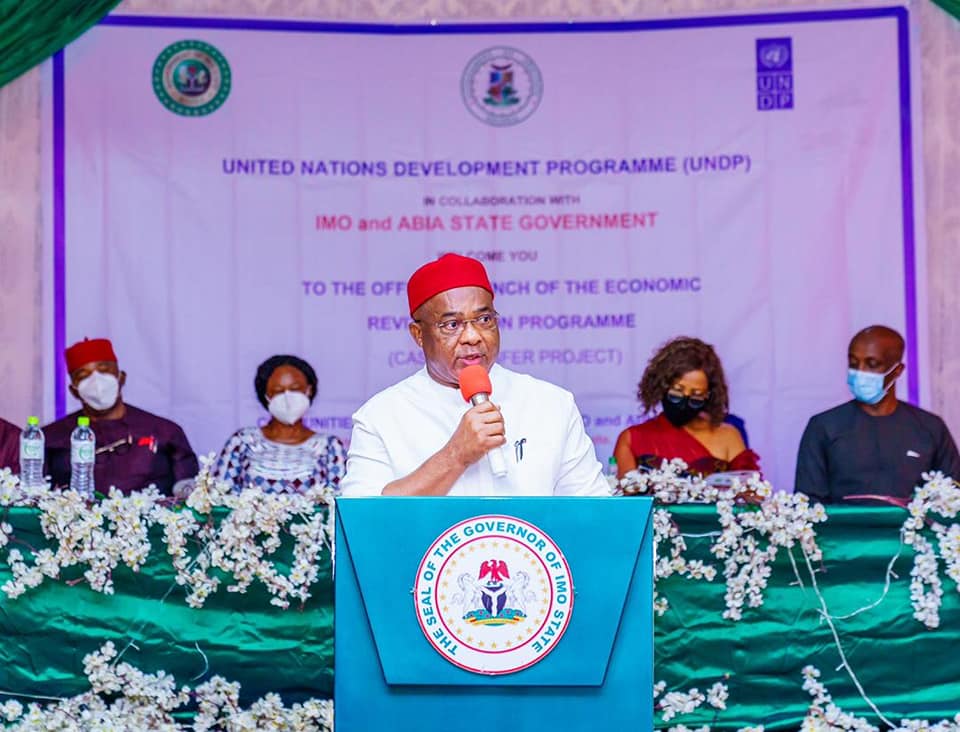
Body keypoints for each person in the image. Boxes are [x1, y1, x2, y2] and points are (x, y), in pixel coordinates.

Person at [340, 253, 609, 497]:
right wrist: (456, 455)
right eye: (452, 324)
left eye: (484, 320)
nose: (472, 336)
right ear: (418, 335)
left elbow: (595, 513)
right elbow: (363, 521)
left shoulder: (552, 403)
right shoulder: (380, 416)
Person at [795, 325, 960, 503]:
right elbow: (808, 501)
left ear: (897, 370)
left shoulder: (930, 427)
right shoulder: (824, 426)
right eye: (853, 364)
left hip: (912, 523)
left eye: (872, 364)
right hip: (842, 523)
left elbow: (952, 497)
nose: (860, 372)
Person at [44, 338, 198, 495]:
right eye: (83, 376)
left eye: (104, 371)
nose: (96, 382)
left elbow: (189, 495)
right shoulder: (51, 437)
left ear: (121, 378)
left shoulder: (165, 431)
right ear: (74, 391)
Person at [613, 336, 760, 478]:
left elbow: (749, 490)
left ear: (709, 395)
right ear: (661, 386)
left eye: (696, 394)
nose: (684, 402)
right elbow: (625, 493)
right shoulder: (632, 438)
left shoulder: (728, 436)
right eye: (677, 391)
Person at [212, 354, 346, 493]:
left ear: (309, 390)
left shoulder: (330, 446)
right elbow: (219, 495)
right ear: (266, 396)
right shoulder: (242, 441)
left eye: (295, 389)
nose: (288, 397)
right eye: (278, 391)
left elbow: (341, 499)